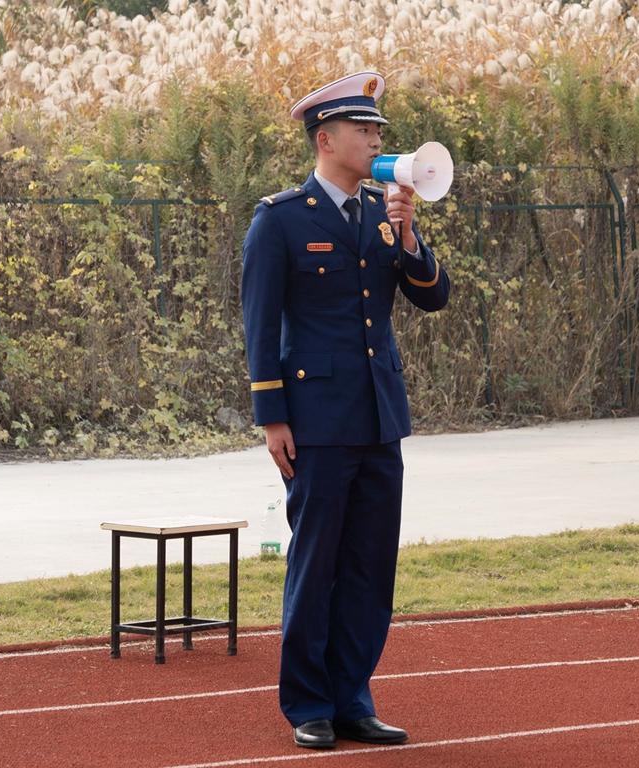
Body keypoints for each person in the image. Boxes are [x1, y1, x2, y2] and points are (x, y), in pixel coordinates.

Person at [240, 71, 451, 750]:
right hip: (316, 420)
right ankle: (309, 704)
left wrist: (409, 238)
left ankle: (352, 697)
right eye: (363, 130)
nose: (376, 141)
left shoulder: (382, 217)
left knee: (369, 567)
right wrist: (271, 417)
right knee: (317, 564)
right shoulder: (280, 219)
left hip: (379, 417)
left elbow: (433, 296)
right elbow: (259, 324)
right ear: (325, 139)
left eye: (378, 130)